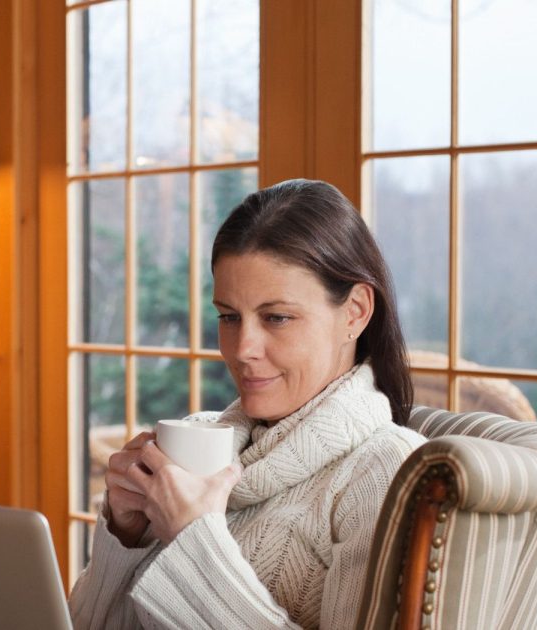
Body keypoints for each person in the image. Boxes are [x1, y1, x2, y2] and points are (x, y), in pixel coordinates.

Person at [68, 179, 426, 629]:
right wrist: (125, 535)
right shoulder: (196, 443)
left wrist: (193, 542)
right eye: (229, 317)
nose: (242, 349)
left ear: (354, 311)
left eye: (276, 318)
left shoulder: (387, 473)